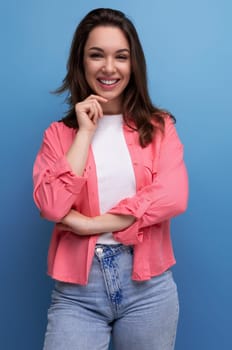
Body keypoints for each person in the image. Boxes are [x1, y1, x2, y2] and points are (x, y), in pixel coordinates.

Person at [33, 7, 188, 350]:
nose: (108, 67)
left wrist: (92, 224)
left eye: (121, 56)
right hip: (78, 293)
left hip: (148, 288)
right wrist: (85, 133)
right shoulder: (59, 136)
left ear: (134, 65)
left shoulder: (160, 128)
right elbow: (51, 206)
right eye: (96, 55)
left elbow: (174, 196)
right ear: (81, 62)